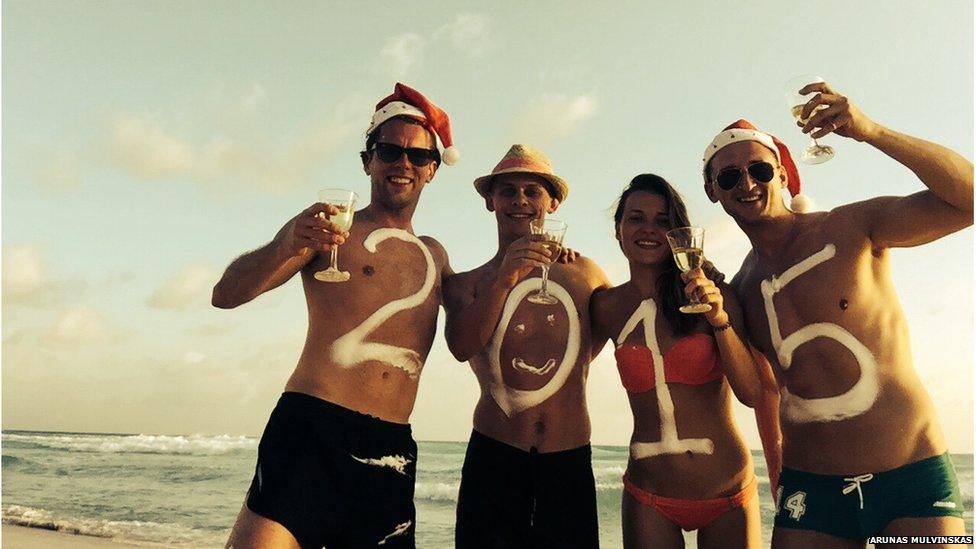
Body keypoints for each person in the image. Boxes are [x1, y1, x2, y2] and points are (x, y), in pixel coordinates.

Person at [701, 81, 972, 547]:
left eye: (759, 169)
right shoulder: (742, 290)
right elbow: (757, 391)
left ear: (784, 174)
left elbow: (967, 199)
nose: (746, 183)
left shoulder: (848, 229)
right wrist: (718, 316)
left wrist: (871, 131)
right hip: (814, 495)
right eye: (728, 177)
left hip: (913, 479)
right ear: (713, 191)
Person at [213, 82, 459, 549]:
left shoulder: (435, 256)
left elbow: (470, 337)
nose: (402, 164)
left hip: (390, 449)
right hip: (309, 428)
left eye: (418, 157)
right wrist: (286, 242)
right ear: (368, 160)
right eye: (389, 151)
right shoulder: (329, 230)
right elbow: (226, 294)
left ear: (432, 171)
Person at [443, 144, 610, 548]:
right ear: (490, 202)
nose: (520, 200)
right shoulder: (467, 284)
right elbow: (461, 346)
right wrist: (505, 277)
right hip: (495, 456)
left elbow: (592, 343)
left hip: (567, 458)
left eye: (532, 191)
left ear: (551, 203)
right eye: (508, 191)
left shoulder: (584, 273)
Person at [590, 174, 770, 549]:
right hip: (648, 495)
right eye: (636, 218)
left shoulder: (716, 294)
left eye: (663, 220)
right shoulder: (606, 306)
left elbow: (753, 393)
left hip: (727, 492)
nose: (649, 230)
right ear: (618, 229)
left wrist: (719, 319)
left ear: (678, 234)